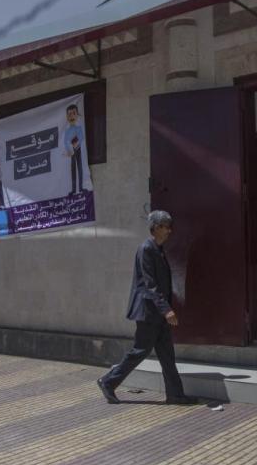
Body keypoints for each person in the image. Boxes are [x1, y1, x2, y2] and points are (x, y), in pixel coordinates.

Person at [97, 210, 198, 405]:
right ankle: (108, 381)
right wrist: (166, 309)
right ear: (156, 228)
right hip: (148, 312)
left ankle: (175, 394)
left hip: (157, 313)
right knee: (140, 350)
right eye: (166, 227)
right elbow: (150, 284)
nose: (170, 230)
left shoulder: (158, 249)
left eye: (170, 226)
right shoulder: (146, 249)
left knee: (167, 354)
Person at [62, 104, 85, 195]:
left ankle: (81, 188)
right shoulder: (67, 131)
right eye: (69, 114)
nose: (71, 116)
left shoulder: (79, 128)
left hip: (78, 149)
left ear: (77, 115)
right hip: (71, 151)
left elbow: (81, 138)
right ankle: (74, 189)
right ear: (67, 117)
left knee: (79, 168)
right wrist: (69, 149)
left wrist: (75, 143)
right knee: (73, 169)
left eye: (73, 113)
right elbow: (65, 141)